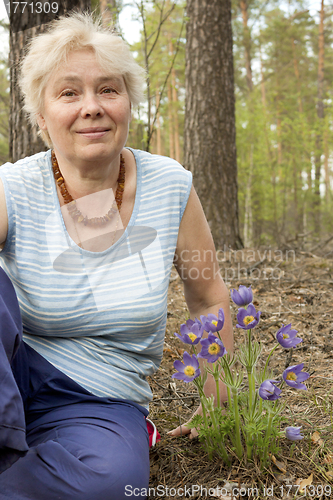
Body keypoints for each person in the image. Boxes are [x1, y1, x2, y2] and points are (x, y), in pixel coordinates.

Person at [0, 11, 233, 500]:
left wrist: (217, 399)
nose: (92, 107)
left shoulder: (169, 185)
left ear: (129, 104)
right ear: (41, 117)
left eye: (108, 89)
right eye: (68, 93)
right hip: (12, 375)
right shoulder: (13, 186)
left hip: (99, 399)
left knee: (109, 484)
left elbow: (208, 296)